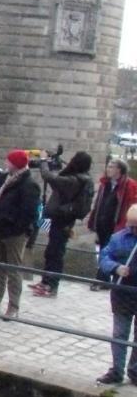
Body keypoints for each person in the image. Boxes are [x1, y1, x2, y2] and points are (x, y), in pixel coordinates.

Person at [0, 150, 40, 319]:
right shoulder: (6, 180)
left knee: (13, 270)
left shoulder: (28, 184)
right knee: (0, 268)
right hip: (0, 230)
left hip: (15, 233)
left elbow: (29, 213)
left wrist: (17, 227)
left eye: (9, 161)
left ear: (16, 164)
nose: (5, 164)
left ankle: (13, 307)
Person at [31, 150, 94, 297]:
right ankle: (46, 281)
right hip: (62, 218)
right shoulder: (81, 178)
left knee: (56, 252)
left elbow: (49, 178)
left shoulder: (76, 181)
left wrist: (43, 161)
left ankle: (51, 285)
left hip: (63, 219)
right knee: (52, 251)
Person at [97, 205, 137, 384]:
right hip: (122, 293)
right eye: (132, 226)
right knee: (120, 333)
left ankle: (135, 371)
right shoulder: (118, 238)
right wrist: (116, 268)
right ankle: (117, 370)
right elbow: (104, 258)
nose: (133, 230)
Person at [88, 158, 137, 289]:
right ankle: (103, 281)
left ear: (119, 170)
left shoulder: (129, 185)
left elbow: (130, 206)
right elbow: (98, 203)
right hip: (103, 223)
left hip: (117, 225)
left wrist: (124, 226)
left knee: (110, 252)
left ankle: (100, 281)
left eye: (111, 167)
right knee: (104, 251)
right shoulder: (105, 184)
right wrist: (94, 222)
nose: (108, 169)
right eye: (108, 166)